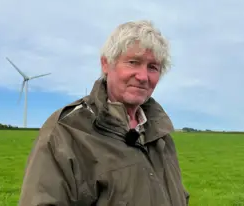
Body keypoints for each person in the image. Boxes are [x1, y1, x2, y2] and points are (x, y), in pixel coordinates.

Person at [18, 20, 190, 205]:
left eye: (153, 67)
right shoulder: (66, 132)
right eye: (133, 62)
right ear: (106, 64)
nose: (143, 77)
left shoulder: (160, 135)